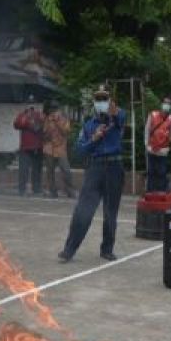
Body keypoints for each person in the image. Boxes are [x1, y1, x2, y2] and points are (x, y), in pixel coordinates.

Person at [58, 86, 124, 262]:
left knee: (111, 212)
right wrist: (93, 140)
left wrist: (114, 111)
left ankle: (107, 249)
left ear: (110, 101)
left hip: (114, 167)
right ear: (94, 103)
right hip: (95, 168)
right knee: (83, 211)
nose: (101, 102)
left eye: (105, 99)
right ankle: (68, 250)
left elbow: (120, 117)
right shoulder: (88, 126)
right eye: (98, 99)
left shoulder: (118, 118)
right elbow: (79, 150)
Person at [42, 101, 74, 198]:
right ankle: (53, 192)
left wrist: (57, 122)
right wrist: (48, 130)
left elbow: (66, 132)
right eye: (51, 110)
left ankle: (70, 191)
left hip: (60, 148)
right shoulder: (47, 119)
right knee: (50, 171)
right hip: (49, 148)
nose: (52, 112)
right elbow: (44, 134)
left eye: (54, 110)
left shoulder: (64, 118)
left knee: (66, 170)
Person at [144, 96, 171, 193]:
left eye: (169, 103)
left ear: (170, 106)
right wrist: (146, 145)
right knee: (151, 171)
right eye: (165, 103)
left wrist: (167, 144)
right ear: (161, 104)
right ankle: (150, 191)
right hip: (151, 148)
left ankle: (161, 191)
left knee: (162, 171)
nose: (166, 105)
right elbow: (147, 129)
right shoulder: (153, 114)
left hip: (163, 150)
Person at [14, 100, 44, 196]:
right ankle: (22, 189)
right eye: (29, 103)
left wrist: (32, 123)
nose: (30, 105)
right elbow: (17, 124)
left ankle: (36, 189)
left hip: (37, 146)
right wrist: (28, 121)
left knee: (37, 170)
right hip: (25, 147)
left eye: (32, 103)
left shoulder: (39, 114)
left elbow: (43, 125)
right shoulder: (22, 115)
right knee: (23, 170)